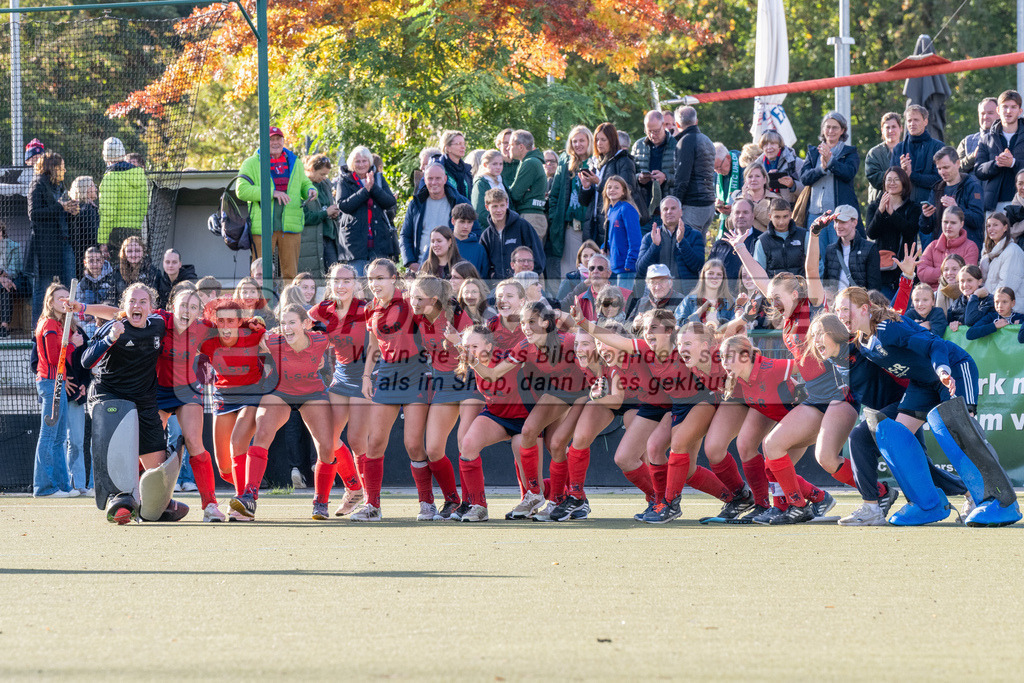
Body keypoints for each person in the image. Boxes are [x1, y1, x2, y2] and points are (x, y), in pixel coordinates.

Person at [835, 286, 1020, 526]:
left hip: (952, 369)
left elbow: (935, 346)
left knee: (962, 433)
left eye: (845, 309)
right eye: (838, 310)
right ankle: (927, 504)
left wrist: (943, 370)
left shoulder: (888, 329)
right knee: (896, 438)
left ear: (864, 308)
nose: (841, 315)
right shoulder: (862, 341)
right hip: (923, 383)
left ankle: (998, 500)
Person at [82, 283, 190, 521]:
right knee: (119, 451)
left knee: (157, 471)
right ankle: (119, 500)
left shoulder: (159, 325)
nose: (137, 306)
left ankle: (156, 506)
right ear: (125, 307)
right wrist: (110, 338)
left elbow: (186, 318)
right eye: (132, 301)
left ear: (151, 308)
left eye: (142, 302)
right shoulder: (114, 327)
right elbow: (86, 361)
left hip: (144, 401)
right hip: (110, 397)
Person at [227, 304, 333, 520]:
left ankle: (321, 502)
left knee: (327, 445)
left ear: (305, 324)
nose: (286, 327)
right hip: (280, 392)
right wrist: (251, 323)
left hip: (312, 393)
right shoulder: (273, 342)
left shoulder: (321, 340)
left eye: (292, 322)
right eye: (283, 323)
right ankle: (249, 497)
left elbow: (339, 335)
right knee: (263, 431)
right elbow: (245, 334)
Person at [199, 297, 272, 520]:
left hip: (252, 394)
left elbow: (277, 347)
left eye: (231, 320)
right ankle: (248, 484)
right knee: (223, 466)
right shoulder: (208, 341)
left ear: (239, 321)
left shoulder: (254, 334)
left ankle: (244, 502)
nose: (226, 325)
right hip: (222, 397)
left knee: (237, 442)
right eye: (220, 321)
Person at [308, 263, 369, 516]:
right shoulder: (322, 309)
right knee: (327, 440)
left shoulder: (367, 309)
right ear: (330, 283)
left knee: (356, 440)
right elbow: (304, 327)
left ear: (356, 284)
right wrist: (315, 348)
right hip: (341, 377)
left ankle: (370, 500)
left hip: (366, 378)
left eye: (346, 281)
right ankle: (346, 493)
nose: (341, 286)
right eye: (336, 281)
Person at [236, 126, 316, 281]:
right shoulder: (251, 163)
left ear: (283, 140)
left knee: (291, 274)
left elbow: (305, 184)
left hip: (291, 226)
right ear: (263, 142)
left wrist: (311, 190)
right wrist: (271, 193)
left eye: (278, 138)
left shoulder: (296, 162)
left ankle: (289, 303)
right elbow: (241, 190)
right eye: (271, 139)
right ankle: (259, 303)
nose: (275, 142)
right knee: (260, 273)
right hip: (263, 227)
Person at [33, 283, 81, 497]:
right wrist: (72, 343)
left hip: (56, 382)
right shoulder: (50, 323)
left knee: (59, 437)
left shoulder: (58, 323)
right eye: (60, 298)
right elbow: (54, 358)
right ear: (50, 302)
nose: (64, 301)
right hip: (51, 382)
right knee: (49, 436)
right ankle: (44, 487)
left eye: (67, 297)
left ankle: (62, 486)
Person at [799, 111, 861, 262]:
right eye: (828, 127)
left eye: (835, 127)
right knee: (817, 258)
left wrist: (831, 161)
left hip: (839, 216)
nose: (831, 131)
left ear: (842, 130)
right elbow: (804, 178)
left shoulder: (850, 152)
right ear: (823, 130)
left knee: (839, 258)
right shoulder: (813, 152)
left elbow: (848, 173)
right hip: (815, 214)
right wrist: (821, 168)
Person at [27, 151, 77, 321]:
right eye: (62, 167)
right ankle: (37, 326)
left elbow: (62, 211)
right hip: (45, 246)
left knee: (69, 282)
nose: (64, 171)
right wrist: (60, 207)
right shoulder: (38, 183)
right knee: (43, 286)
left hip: (63, 241)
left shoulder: (60, 186)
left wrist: (71, 210)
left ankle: (68, 322)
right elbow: (34, 214)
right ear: (53, 168)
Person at [334, 146, 399, 275]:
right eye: (357, 161)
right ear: (352, 163)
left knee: (379, 280)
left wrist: (373, 187)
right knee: (359, 283)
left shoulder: (378, 178)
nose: (361, 164)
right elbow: (343, 205)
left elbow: (390, 202)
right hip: (355, 244)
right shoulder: (345, 180)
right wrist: (365, 191)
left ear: (369, 162)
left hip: (379, 241)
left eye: (364, 161)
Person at [579, 122, 645, 247]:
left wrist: (599, 183)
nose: (599, 143)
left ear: (612, 140)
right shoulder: (595, 163)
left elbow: (628, 189)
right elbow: (584, 202)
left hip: (612, 222)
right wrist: (586, 187)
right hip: (592, 223)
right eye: (597, 140)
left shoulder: (624, 161)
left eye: (603, 139)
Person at [400, 163, 475, 271]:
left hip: (451, 268)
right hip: (421, 267)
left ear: (445, 179)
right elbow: (405, 235)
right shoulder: (416, 204)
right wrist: (411, 262)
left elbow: (473, 233)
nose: (434, 182)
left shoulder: (459, 202)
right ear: (424, 180)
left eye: (438, 178)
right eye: (430, 178)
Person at [547, 125, 595, 276]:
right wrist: (555, 217)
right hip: (570, 226)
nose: (578, 144)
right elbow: (554, 194)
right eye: (574, 141)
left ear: (589, 141)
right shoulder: (565, 162)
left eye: (582, 140)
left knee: (591, 269)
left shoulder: (596, 161)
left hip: (591, 225)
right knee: (570, 270)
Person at [866, 167, 920, 296]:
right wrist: (880, 212)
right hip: (882, 267)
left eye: (896, 179)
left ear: (904, 182)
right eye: (889, 180)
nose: (892, 183)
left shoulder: (913, 208)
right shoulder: (874, 206)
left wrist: (892, 213)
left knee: (903, 309)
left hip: (904, 265)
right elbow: (871, 233)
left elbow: (910, 232)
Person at [919, 146, 985, 248]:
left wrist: (957, 209)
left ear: (958, 163)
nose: (942, 172)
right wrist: (925, 216)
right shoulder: (937, 188)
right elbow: (926, 229)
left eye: (946, 167)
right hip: (942, 250)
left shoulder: (972, 186)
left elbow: (978, 220)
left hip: (966, 248)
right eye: (939, 169)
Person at [97, 137, 148, 259]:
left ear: (106, 157)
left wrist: (103, 241)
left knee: (118, 271)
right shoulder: (140, 176)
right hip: (136, 231)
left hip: (116, 234)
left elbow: (108, 213)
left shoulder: (110, 178)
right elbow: (144, 206)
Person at [479, 188, 545, 279]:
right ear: (487, 207)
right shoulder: (486, 236)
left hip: (523, 283)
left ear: (507, 204)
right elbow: (484, 266)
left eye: (502, 205)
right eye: (494, 206)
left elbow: (538, 256)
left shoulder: (522, 226)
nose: (499, 210)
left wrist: (528, 277)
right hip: (499, 287)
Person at [975, 90, 1024, 212]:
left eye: (1013, 107)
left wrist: (1013, 163)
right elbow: (978, 170)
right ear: (998, 110)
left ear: (1020, 111)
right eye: (1005, 107)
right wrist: (996, 164)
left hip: (1022, 202)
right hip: (994, 205)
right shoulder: (986, 139)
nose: (1008, 111)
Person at [635, 195, 704, 281]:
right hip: (657, 289)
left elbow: (698, 266)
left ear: (681, 212)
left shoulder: (694, 235)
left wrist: (682, 242)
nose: (669, 212)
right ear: (661, 214)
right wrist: (654, 246)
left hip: (686, 291)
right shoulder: (649, 237)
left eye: (673, 208)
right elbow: (641, 269)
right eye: (665, 209)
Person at [671, 106, 716, 236]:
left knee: (686, 250)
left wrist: (675, 206)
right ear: (696, 121)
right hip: (708, 204)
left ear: (677, 124)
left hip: (693, 205)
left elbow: (682, 179)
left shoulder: (685, 142)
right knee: (698, 251)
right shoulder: (707, 140)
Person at [889, 104, 943, 204]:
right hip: (903, 205)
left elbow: (939, 180)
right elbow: (891, 182)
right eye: (909, 120)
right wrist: (903, 173)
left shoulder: (938, 147)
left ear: (925, 121)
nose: (912, 123)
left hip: (929, 205)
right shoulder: (898, 148)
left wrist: (912, 175)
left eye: (916, 120)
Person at [822, 205, 881, 291]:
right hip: (835, 302)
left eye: (843, 222)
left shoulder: (870, 248)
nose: (838, 226)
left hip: (858, 303)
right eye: (836, 221)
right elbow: (826, 284)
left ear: (854, 222)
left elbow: (874, 288)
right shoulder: (830, 250)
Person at [917, 207, 980, 288]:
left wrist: (938, 273)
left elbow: (967, 275)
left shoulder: (971, 247)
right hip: (932, 296)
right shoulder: (933, 245)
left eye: (953, 223)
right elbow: (922, 273)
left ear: (961, 224)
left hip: (959, 294)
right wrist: (950, 272)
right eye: (945, 222)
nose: (948, 226)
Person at [631, 110, 675, 221]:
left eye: (656, 131)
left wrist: (665, 178)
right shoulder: (638, 146)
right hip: (643, 209)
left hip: (668, 211)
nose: (652, 135)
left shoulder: (676, 145)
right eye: (649, 131)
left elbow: (684, 177)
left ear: (663, 125)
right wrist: (639, 178)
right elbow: (629, 175)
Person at [506, 130, 549, 241]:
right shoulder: (529, 161)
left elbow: (515, 194)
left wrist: (513, 189)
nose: (507, 148)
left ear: (521, 147)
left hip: (531, 217)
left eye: (510, 145)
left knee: (527, 256)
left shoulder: (530, 163)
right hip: (531, 216)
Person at [302, 153, 341, 271]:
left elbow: (327, 207)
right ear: (312, 169)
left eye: (326, 174)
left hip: (329, 236)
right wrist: (325, 213)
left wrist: (333, 214)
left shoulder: (325, 184)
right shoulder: (303, 186)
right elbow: (303, 216)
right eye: (322, 174)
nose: (324, 177)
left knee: (333, 272)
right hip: (311, 239)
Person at [979, 212, 1024, 313]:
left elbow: (1007, 286)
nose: (991, 229)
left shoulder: (1012, 251)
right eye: (988, 226)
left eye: (995, 225)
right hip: (992, 305)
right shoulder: (987, 252)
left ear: (1005, 228)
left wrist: (986, 302)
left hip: (1011, 311)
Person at [603, 176, 642, 289]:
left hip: (626, 267)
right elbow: (613, 237)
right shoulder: (610, 210)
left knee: (624, 302)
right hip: (614, 266)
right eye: (609, 187)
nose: (612, 190)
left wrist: (630, 262)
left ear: (623, 191)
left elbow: (635, 239)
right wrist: (604, 246)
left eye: (616, 187)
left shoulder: (626, 209)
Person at [753, 198, 808, 278]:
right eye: (777, 217)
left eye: (785, 216)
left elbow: (815, 265)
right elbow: (759, 273)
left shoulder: (804, 235)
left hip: (801, 288)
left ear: (791, 215)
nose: (781, 222)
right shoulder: (762, 241)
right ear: (770, 216)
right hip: (774, 289)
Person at [674, 259, 734, 325]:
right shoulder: (689, 301)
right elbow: (677, 326)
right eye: (710, 273)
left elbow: (736, 329)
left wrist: (718, 323)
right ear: (703, 275)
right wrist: (698, 313)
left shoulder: (731, 302)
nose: (714, 277)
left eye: (719, 274)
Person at [754, 130, 803, 206]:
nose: (769, 147)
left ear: (780, 145)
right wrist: (766, 180)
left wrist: (793, 185)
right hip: (766, 210)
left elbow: (807, 190)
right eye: (765, 144)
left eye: (773, 143)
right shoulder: (756, 166)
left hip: (790, 210)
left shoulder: (795, 162)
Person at [864, 112, 902, 208]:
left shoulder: (909, 151)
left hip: (903, 204)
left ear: (901, 129)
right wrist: (900, 174)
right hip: (879, 205)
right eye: (887, 127)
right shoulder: (874, 153)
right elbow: (874, 178)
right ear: (882, 130)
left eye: (894, 127)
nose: (890, 130)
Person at [728, 164, 779, 233]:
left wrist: (751, 204)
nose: (753, 180)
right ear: (745, 181)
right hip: (743, 241)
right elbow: (729, 225)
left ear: (764, 179)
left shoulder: (775, 199)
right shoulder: (738, 200)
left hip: (767, 241)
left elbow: (776, 223)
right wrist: (744, 201)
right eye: (750, 177)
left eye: (757, 176)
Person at [68, 176, 99, 276]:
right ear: (86, 190)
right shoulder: (87, 209)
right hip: (85, 259)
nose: (96, 189)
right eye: (93, 186)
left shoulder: (80, 208)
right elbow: (93, 236)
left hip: (80, 257)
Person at [958, 97, 998, 174]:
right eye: (982, 113)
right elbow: (954, 169)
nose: (985, 117)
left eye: (990, 113)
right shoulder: (967, 141)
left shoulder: (1006, 138)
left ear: (999, 114)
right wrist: (972, 157)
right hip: (972, 185)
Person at [449, 203, 488, 277]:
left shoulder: (479, 249)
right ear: (453, 221)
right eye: (462, 222)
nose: (466, 226)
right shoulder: (443, 243)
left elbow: (484, 278)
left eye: (469, 222)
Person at [712, 142, 743, 232]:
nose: (717, 172)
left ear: (728, 158)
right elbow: (712, 196)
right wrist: (717, 205)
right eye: (715, 169)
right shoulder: (717, 171)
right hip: (726, 221)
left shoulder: (744, 164)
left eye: (719, 167)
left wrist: (736, 207)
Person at [0, 222, 23, 338]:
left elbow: (14, 268)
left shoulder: (14, 246)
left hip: (11, 280)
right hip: (2, 279)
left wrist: (4, 277)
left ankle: (4, 326)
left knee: (6, 288)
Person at [471, 149, 503, 225]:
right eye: (494, 164)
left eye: (500, 164)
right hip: (488, 228)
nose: (498, 167)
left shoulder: (501, 180)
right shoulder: (481, 183)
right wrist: (498, 224)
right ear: (485, 165)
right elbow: (480, 212)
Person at [438, 130, 472, 199]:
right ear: (447, 147)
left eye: (463, 144)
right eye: (458, 144)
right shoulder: (440, 169)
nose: (463, 147)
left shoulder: (466, 169)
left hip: (466, 208)